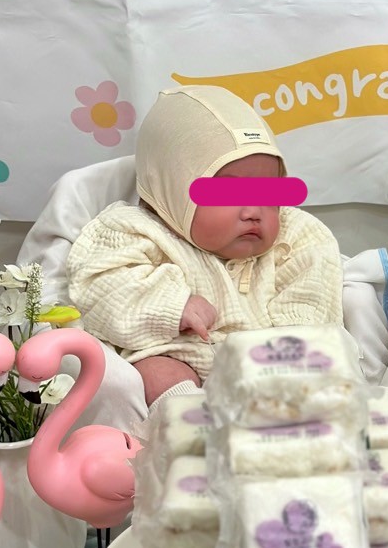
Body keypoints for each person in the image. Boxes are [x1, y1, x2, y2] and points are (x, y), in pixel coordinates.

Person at [66, 84, 343, 407]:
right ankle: (193, 423)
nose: (254, 212)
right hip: (186, 356)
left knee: (322, 370)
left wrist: (286, 346)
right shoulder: (134, 231)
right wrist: (172, 305)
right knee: (155, 374)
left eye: (268, 194)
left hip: (271, 366)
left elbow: (312, 292)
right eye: (229, 194)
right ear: (171, 191)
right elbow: (100, 288)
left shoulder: (297, 236)